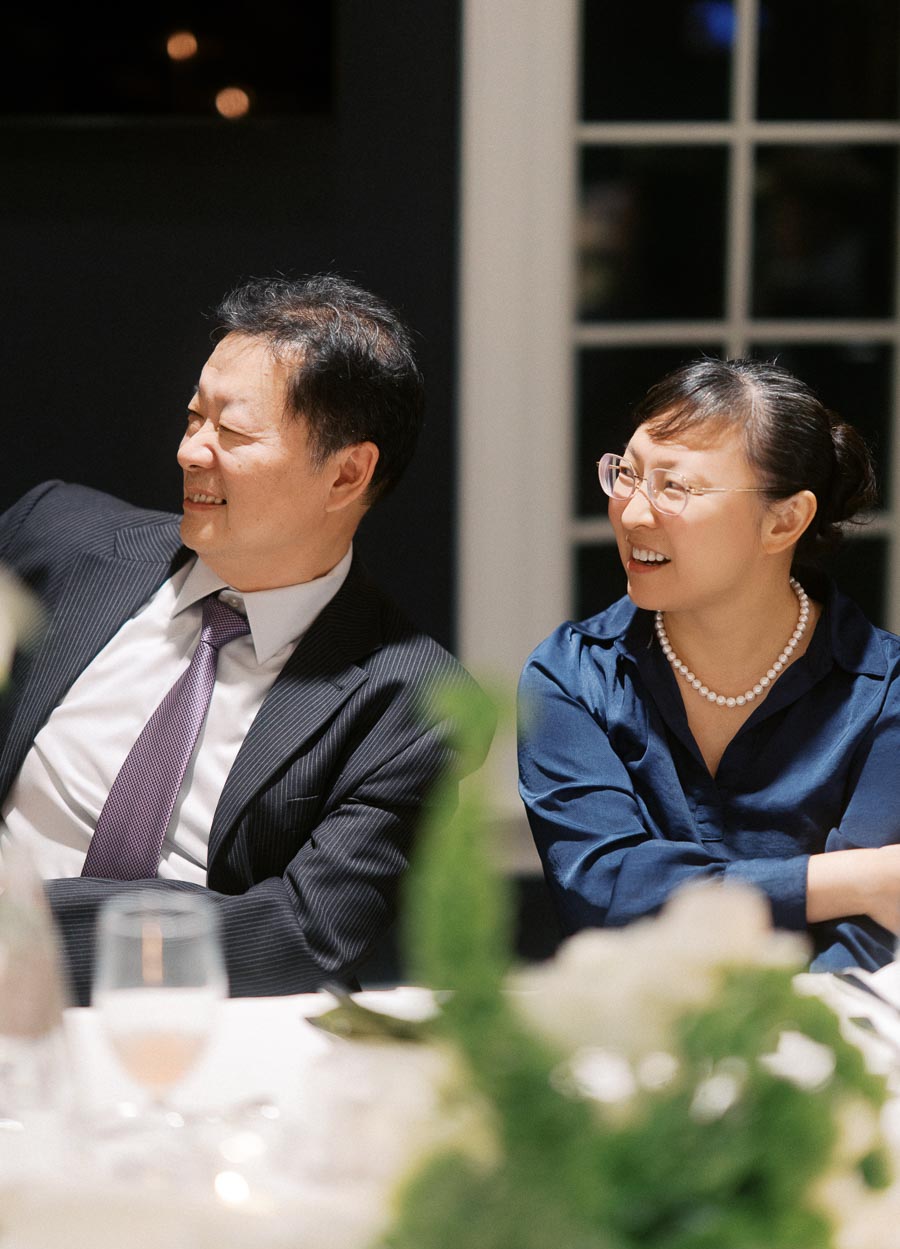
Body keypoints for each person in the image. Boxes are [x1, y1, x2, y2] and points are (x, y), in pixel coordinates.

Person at [0, 273, 483, 1003]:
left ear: (348, 473)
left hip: (207, 1035)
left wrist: (24, 922)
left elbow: (302, 935)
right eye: (195, 418)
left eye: (231, 431)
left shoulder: (411, 703)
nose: (191, 452)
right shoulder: (56, 539)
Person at [518, 356, 900, 973]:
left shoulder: (886, 691)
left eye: (675, 487)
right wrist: (844, 877)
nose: (633, 513)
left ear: (785, 520)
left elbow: (866, 938)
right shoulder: (572, 675)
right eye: (628, 475)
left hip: (827, 1045)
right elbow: (606, 893)